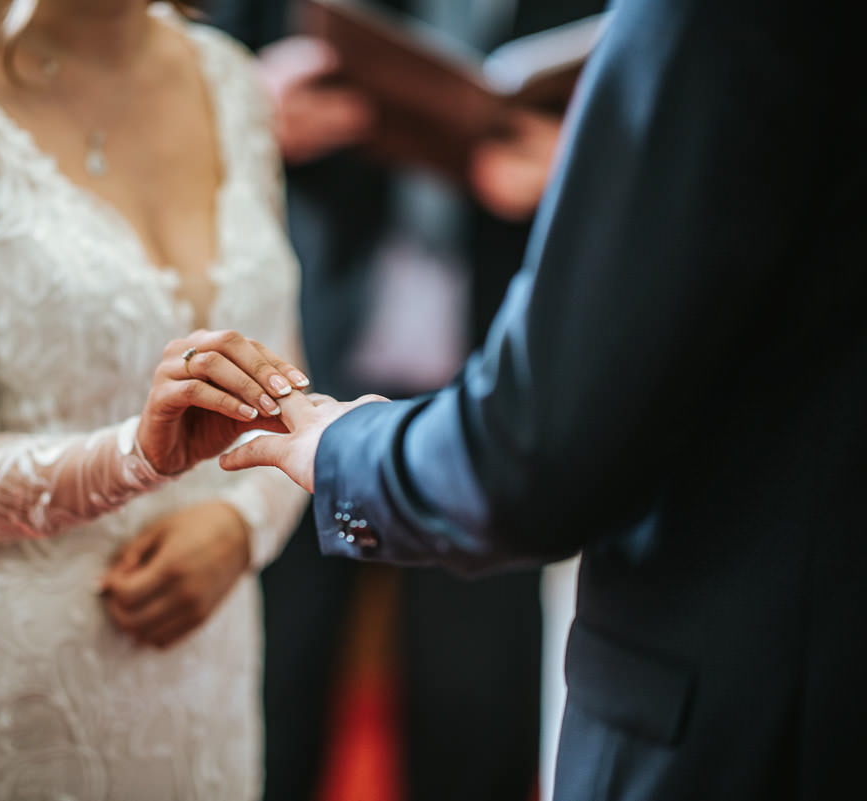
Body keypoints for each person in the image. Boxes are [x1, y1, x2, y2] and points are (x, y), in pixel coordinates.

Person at [220, 0, 866, 798]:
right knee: (280, 698)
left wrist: (340, 450)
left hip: (744, 706)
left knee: (473, 717)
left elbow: (533, 463)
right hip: (341, 334)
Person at [0, 0, 310, 798]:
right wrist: (136, 458)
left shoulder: (233, 80)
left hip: (198, 703)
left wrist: (240, 526)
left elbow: (287, 387)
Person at [208, 2, 602, 799]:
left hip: (490, 385)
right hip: (308, 366)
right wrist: (251, 102)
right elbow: (214, 61)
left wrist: (578, 163)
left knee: (474, 704)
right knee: (274, 683)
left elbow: (635, 116)